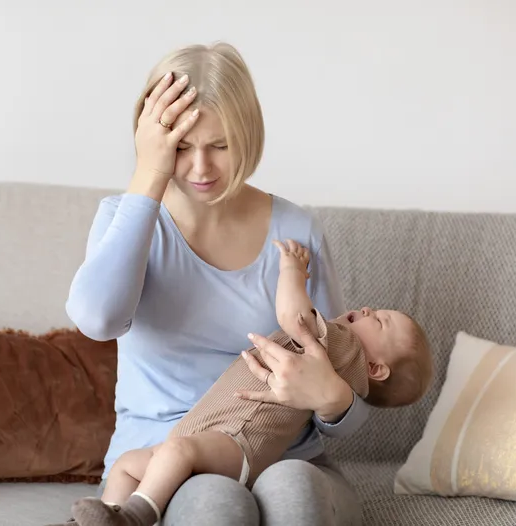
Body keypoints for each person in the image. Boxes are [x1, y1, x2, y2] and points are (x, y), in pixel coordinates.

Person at [63, 41, 369, 525]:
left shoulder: (296, 230)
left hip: (287, 457)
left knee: (292, 489)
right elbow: (98, 320)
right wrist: (149, 175)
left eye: (220, 146)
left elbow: (342, 386)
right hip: (160, 467)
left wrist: (333, 399)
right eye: (181, 147)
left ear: (247, 136)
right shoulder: (124, 219)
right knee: (214, 503)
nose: (201, 168)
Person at [68, 239, 433, 526]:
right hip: (210, 432)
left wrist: (292, 271)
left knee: (177, 454)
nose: (368, 309)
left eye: (379, 320)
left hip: (238, 438)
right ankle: (108, 519)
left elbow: (294, 317)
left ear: (375, 369)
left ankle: (135, 517)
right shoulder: (339, 354)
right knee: (127, 465)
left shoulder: (344, 348)